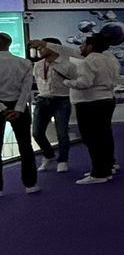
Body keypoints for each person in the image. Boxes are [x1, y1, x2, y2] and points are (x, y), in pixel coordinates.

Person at [69, 31, 120, 185]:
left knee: (92, 138)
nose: (80, 47)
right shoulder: (110, 59)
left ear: (90, 46)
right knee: (104, 136)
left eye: (83, 44)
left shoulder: (88, 62)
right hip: (106, 100)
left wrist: (69, 83)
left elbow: (84, 83)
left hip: (89, 103)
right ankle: (107, 166)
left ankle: (99, 173)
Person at [0, 33, 38, 196]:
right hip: (19, 107)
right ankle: (30, 184)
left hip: (1, 107)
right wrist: (18, 108)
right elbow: (26, 88)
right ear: (9, 44)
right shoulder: (24, 63)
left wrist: (3, 108)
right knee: (25, 146)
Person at [32, 39, 72, 173]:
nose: (39, 50)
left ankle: (63, 160)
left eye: (42, 47)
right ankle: (49, 155)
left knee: (62, 133)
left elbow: (74, 80)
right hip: (42, 100)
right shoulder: (38, 65)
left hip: (61, 100)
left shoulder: (66, 64)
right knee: (37, 133)